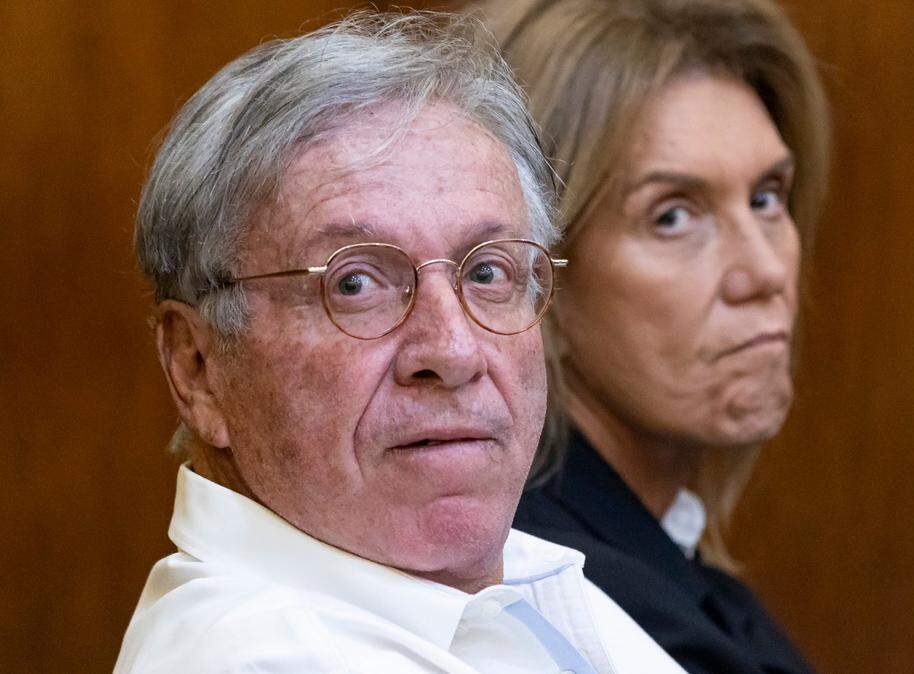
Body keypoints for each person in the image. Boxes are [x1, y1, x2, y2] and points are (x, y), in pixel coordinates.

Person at [115, 11, 685, 674]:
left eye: (487, 271)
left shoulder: (509, 578)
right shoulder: (266, 658)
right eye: (355, 283)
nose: (452, 351)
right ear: (198, 368)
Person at [478, 1, 831, 672]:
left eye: (766, 198)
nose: (763, 271)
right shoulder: (575, 603)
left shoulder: (657, 555)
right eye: (672, 216)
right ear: (533, 277)